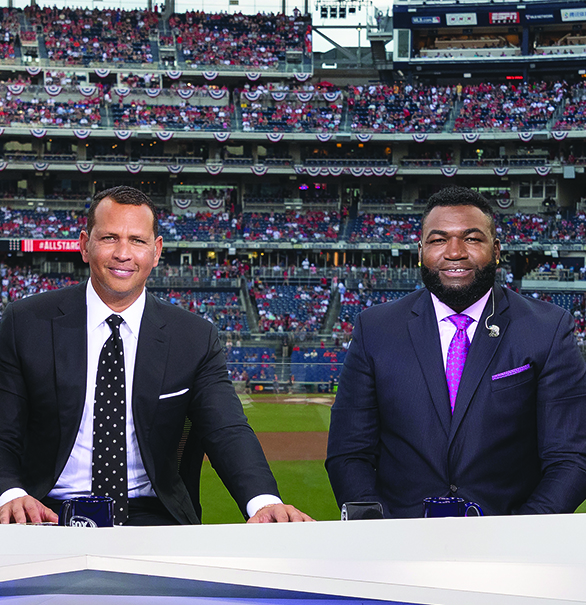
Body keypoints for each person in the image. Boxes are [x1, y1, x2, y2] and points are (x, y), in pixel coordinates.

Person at [0, 186, 311, 526]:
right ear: (84, 245)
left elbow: (227, 429)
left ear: (156, 250)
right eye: (109, 238)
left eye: (137, 240)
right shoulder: (25, 323)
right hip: (46, 511)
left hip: (151, 515)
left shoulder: (194, 337)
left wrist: (263, 502)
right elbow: (4, 430)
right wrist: (11, 493)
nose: (123, 253)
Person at [326, 186, 586, 518]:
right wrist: (379, 530)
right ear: (420, 251)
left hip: (510, 545)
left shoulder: (547, 329)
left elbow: (571, 456)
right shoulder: (374, 328)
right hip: (399, 544)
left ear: (496, 250)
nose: (454, 252)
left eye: (472, 239)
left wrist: (523, 533)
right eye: (438, 240)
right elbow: (349, 452)